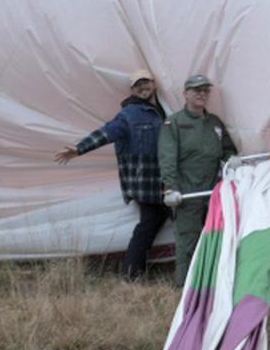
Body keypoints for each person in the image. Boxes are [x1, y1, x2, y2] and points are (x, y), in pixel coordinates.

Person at [54, 69, 169, 280]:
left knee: (155, 222)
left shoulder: (162, 111)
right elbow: (106, 133)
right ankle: (131, 272)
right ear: (133, 90)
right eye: (138, 85)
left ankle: (135, 270)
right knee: (149, 224)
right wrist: (79, 149)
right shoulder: (129, 115)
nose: (143, 87)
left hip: (165, 180)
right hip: (144, 182)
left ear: (154, 84)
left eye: (146, 83)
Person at [159, 74, 238, 285]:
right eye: (196, 90)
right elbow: (167, 158)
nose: (202, 94)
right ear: (185, 94)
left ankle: (211, 286)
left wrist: (232, 160)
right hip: (187, 194)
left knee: (214, 239)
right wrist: (170, 188)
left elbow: (227, 149)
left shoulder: (214, 122)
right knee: (188, 242)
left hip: (213, 193)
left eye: (205, 90)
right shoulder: (174, 123)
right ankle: (184, 288)